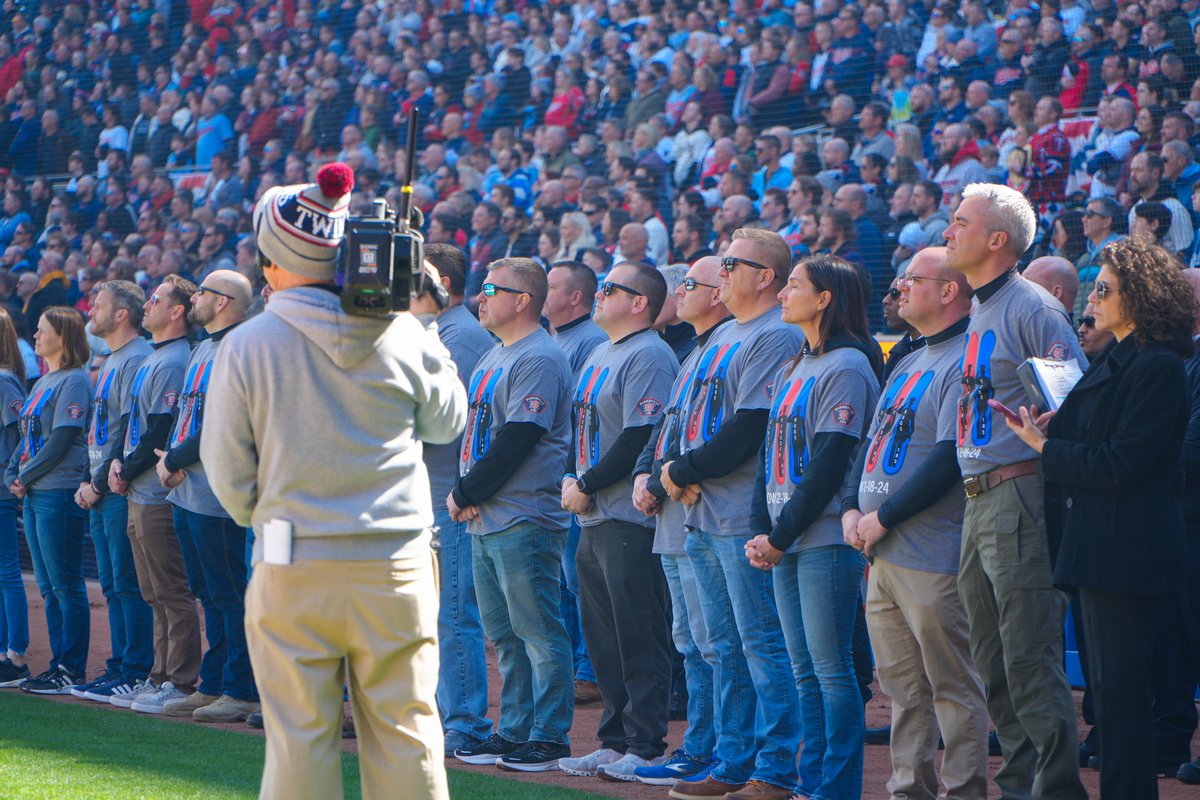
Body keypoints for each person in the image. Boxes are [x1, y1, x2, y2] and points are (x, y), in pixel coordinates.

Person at [204, 163, 464, 799]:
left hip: (293, 558)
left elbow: (228, 472)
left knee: (299, 738)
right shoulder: (403, 329)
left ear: (275, 260)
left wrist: (269, 518)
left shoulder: (247, 342)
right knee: (407, 733)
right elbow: (447, 421)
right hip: (395, 560)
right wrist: (423, 322)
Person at [1005, 238, 1195, 800]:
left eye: (1105, 290)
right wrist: (1051, 430)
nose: (1093, 301)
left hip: (1125, 551)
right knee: (1112, 698)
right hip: (1098, 548)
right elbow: (1100, 440)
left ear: (1139, 296)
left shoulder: (1156, 366)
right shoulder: (1118, 356)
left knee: (1123, 698)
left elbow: (1121, 464)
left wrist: (1045, 447)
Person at [944, 183, 1088, 800]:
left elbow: (1075, 400)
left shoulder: (1032, 307)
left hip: (1018, 495)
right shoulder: (980, 306)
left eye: (959, 222)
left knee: (1027, 656)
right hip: (978, 500)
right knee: (994, 661)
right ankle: (1020, 785)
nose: (947, 231)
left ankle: (1055, 791)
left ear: (995, 239)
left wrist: (1047, 428)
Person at [660, 229, 804, 800]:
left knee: (760, 645)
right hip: (702, 513)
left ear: (765, 276)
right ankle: (731, 760)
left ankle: (772, 768)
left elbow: (751, 428)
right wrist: (676, 470)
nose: (720, 274)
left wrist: (681, 471)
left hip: (742, 515)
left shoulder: (772, 333)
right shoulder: (724, 336)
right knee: (722, 645)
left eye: (732, 264)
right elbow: (689, 418)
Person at [843, 248, 990, 800]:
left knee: (952, 687)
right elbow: (874, 442)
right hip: (883, 547)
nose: (899, 288)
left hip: (934, 551)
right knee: (903, 690)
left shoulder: (966, 357)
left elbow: (951, 456)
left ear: (949, 291)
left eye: (911, 279)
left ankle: (964, 792)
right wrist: (853, 510)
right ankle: (909, 790)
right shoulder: (908, 359)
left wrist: (881, 517)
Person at [743, 254, 881, 800]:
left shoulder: (848, 364)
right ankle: (811, 782)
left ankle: (836, 788)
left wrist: (778, 536)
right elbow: (767, 456)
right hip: (787, 537)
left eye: (793, 286)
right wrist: (762, 528)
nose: (781, 293)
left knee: (830, 670)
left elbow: (829, 464)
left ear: (824, 299)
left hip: (822, 538)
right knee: (805, 671)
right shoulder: (798, 363)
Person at [448, 257, 575, 772]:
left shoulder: (539, 355)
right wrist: (471, 493)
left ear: (522, 300)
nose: (481, 297)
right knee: (504, 634)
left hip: (523, 515)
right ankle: (514, 729)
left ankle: (549, 736)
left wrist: (465, 490)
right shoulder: (496, 353)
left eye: (491, 289)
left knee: (539, 632)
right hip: (488, 514)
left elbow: (519, 437)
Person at [558, 261, 677, 781]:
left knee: (638, 634)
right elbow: (577, 431)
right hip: (593, 516)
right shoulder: (601, 352)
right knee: (603, 636)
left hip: (629, 519)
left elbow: (638, 438)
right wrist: (572, 480)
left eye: (610, 289)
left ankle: (646, 745)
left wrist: (583, 485)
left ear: (639, 303)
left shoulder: (649, 353)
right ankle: (613, 740)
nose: (599, 295)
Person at [630, 255, 731, 786]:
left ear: (718, 293)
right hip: (672, 507)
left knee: (714, 641)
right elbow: (667, 424)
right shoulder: (692, 350)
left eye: (690, 284)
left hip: (702, 508)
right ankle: (699, 745)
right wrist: (647, 475)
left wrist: (666, 475)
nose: (681, 291)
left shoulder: (733, 341)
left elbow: (736, 430)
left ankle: (720, 749)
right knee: (690, 641)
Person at [157, 270, 261, 724]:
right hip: (189, 491)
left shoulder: (242, 348)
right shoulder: (205, 347)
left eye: (201, 292)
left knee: (229, 593)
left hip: (219, 495)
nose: (194, 298)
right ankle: (214, 684)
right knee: (207, 591)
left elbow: (223, 421)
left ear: (222, 303)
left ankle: (241, 689)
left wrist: (174, 458)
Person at [409, 243, 496, 756]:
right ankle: (444, 713)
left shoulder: (457, 334)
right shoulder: (436, 330)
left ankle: (463, 720)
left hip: (451, 497)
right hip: (433, 496)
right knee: (432, 614)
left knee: (454, 615)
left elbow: (449, 423)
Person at [111, 275, 200, 716]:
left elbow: (160, 429)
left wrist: (124, 469)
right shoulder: (157, 357)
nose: (148, 304)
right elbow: (132, 422)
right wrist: (116, 463)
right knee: (153, 592)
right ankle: (160, 675)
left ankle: (179, 681)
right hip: (138, 490)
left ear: (177, 311)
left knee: (170, 591)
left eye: (157, 299)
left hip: (156, 495)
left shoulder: (173, 360)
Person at [70, 281, 155, 705]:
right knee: (112, 583)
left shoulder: (138, 357)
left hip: (119, 489)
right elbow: (96, 434)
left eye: (98, 305)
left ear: (122, 314)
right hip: (102, 487)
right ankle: (120, 666)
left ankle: (135, 669)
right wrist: (90, 479)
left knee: (127, 583)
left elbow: (125, 432)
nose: (91, 310)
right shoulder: (112, 359)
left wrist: (97, 483)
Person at [7, 307, 91, 693]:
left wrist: (23, 475)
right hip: (40, 491)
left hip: (58, 490)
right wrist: (13, 471)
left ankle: (70, 668)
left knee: (66, 583)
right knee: (48, 585)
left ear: (63, 335)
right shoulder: (45, 381)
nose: (35, 337)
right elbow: (26, 438)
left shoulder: (74, 380)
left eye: (42, 331)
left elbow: (60, 440)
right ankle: (58, 664)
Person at [0, 308, 27, 687]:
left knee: (7, 572)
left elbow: (25, 433)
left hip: (2, 490)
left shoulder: (5, 380)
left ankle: (16, 656)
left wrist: (14, 475)